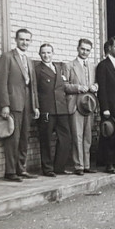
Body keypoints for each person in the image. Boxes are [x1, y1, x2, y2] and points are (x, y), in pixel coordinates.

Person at [0, 28, 40, 182]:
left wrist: (35, 106)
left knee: (24, 138)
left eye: (27, 40)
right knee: (13, 138)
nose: (25, 42)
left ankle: (21, 169)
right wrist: (5, 104)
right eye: (22, 39)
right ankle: (10, 171)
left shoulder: (29, 60)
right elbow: (1, 82)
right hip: (14, 103)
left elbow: (33, 86)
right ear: (16, 40)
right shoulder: (8, 57)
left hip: (27, 104)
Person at [35, 43, 72, 177]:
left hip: (61, 108)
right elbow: (34, 90)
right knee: (46, 139)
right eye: (43, 53)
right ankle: (47, 168)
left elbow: (63, 87)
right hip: (47, 109)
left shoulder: (58, 68)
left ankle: (59, 166)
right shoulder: (38, 70)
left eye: (49, 52)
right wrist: (37, 107)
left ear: (53, 54)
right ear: (40, 54)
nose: (46, 55)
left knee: (65, 138)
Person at [63, 38, 99, 175]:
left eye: (88, 50)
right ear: (78, 49)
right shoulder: (69, 66)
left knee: (87, 136)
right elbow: (64, 86)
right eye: (83, 49)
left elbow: (97, 83)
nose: (85, 52)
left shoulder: (93, 67)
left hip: (88, 105)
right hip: (75, 104)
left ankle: (87, 164)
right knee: (77, 135)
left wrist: (95, 86)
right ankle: (78, 165)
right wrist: (78, 87)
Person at [96, 36, 115, 174]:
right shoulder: (103, 65)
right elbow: (102, 88)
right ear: (110, 48)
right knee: (109, 135)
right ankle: (108, 164)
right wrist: (105, 108)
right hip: (110, 108)